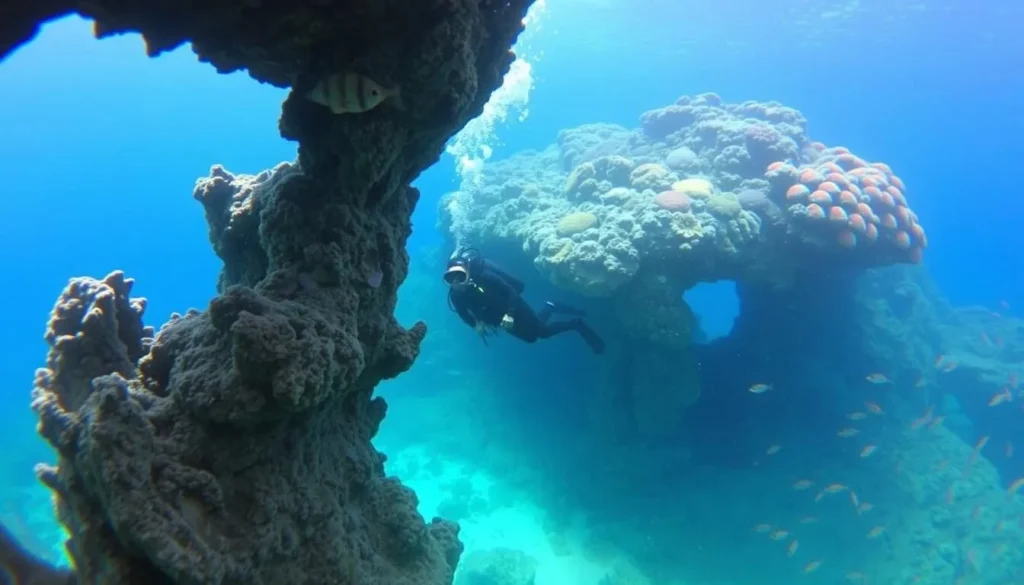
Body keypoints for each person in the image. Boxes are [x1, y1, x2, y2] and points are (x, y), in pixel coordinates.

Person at [443, 249, 605, 354]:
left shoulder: (485, 277)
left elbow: (511, 291)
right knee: (531, 338)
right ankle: (549, 306)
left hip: (514, 307)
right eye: (451, 278)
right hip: (498, 318)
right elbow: (463, 314)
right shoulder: (456, 296)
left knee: (543, 332)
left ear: (468, 273)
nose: (456, 282)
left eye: (460, 276)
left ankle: (576, 324)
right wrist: (475, 324)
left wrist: (510, 314)